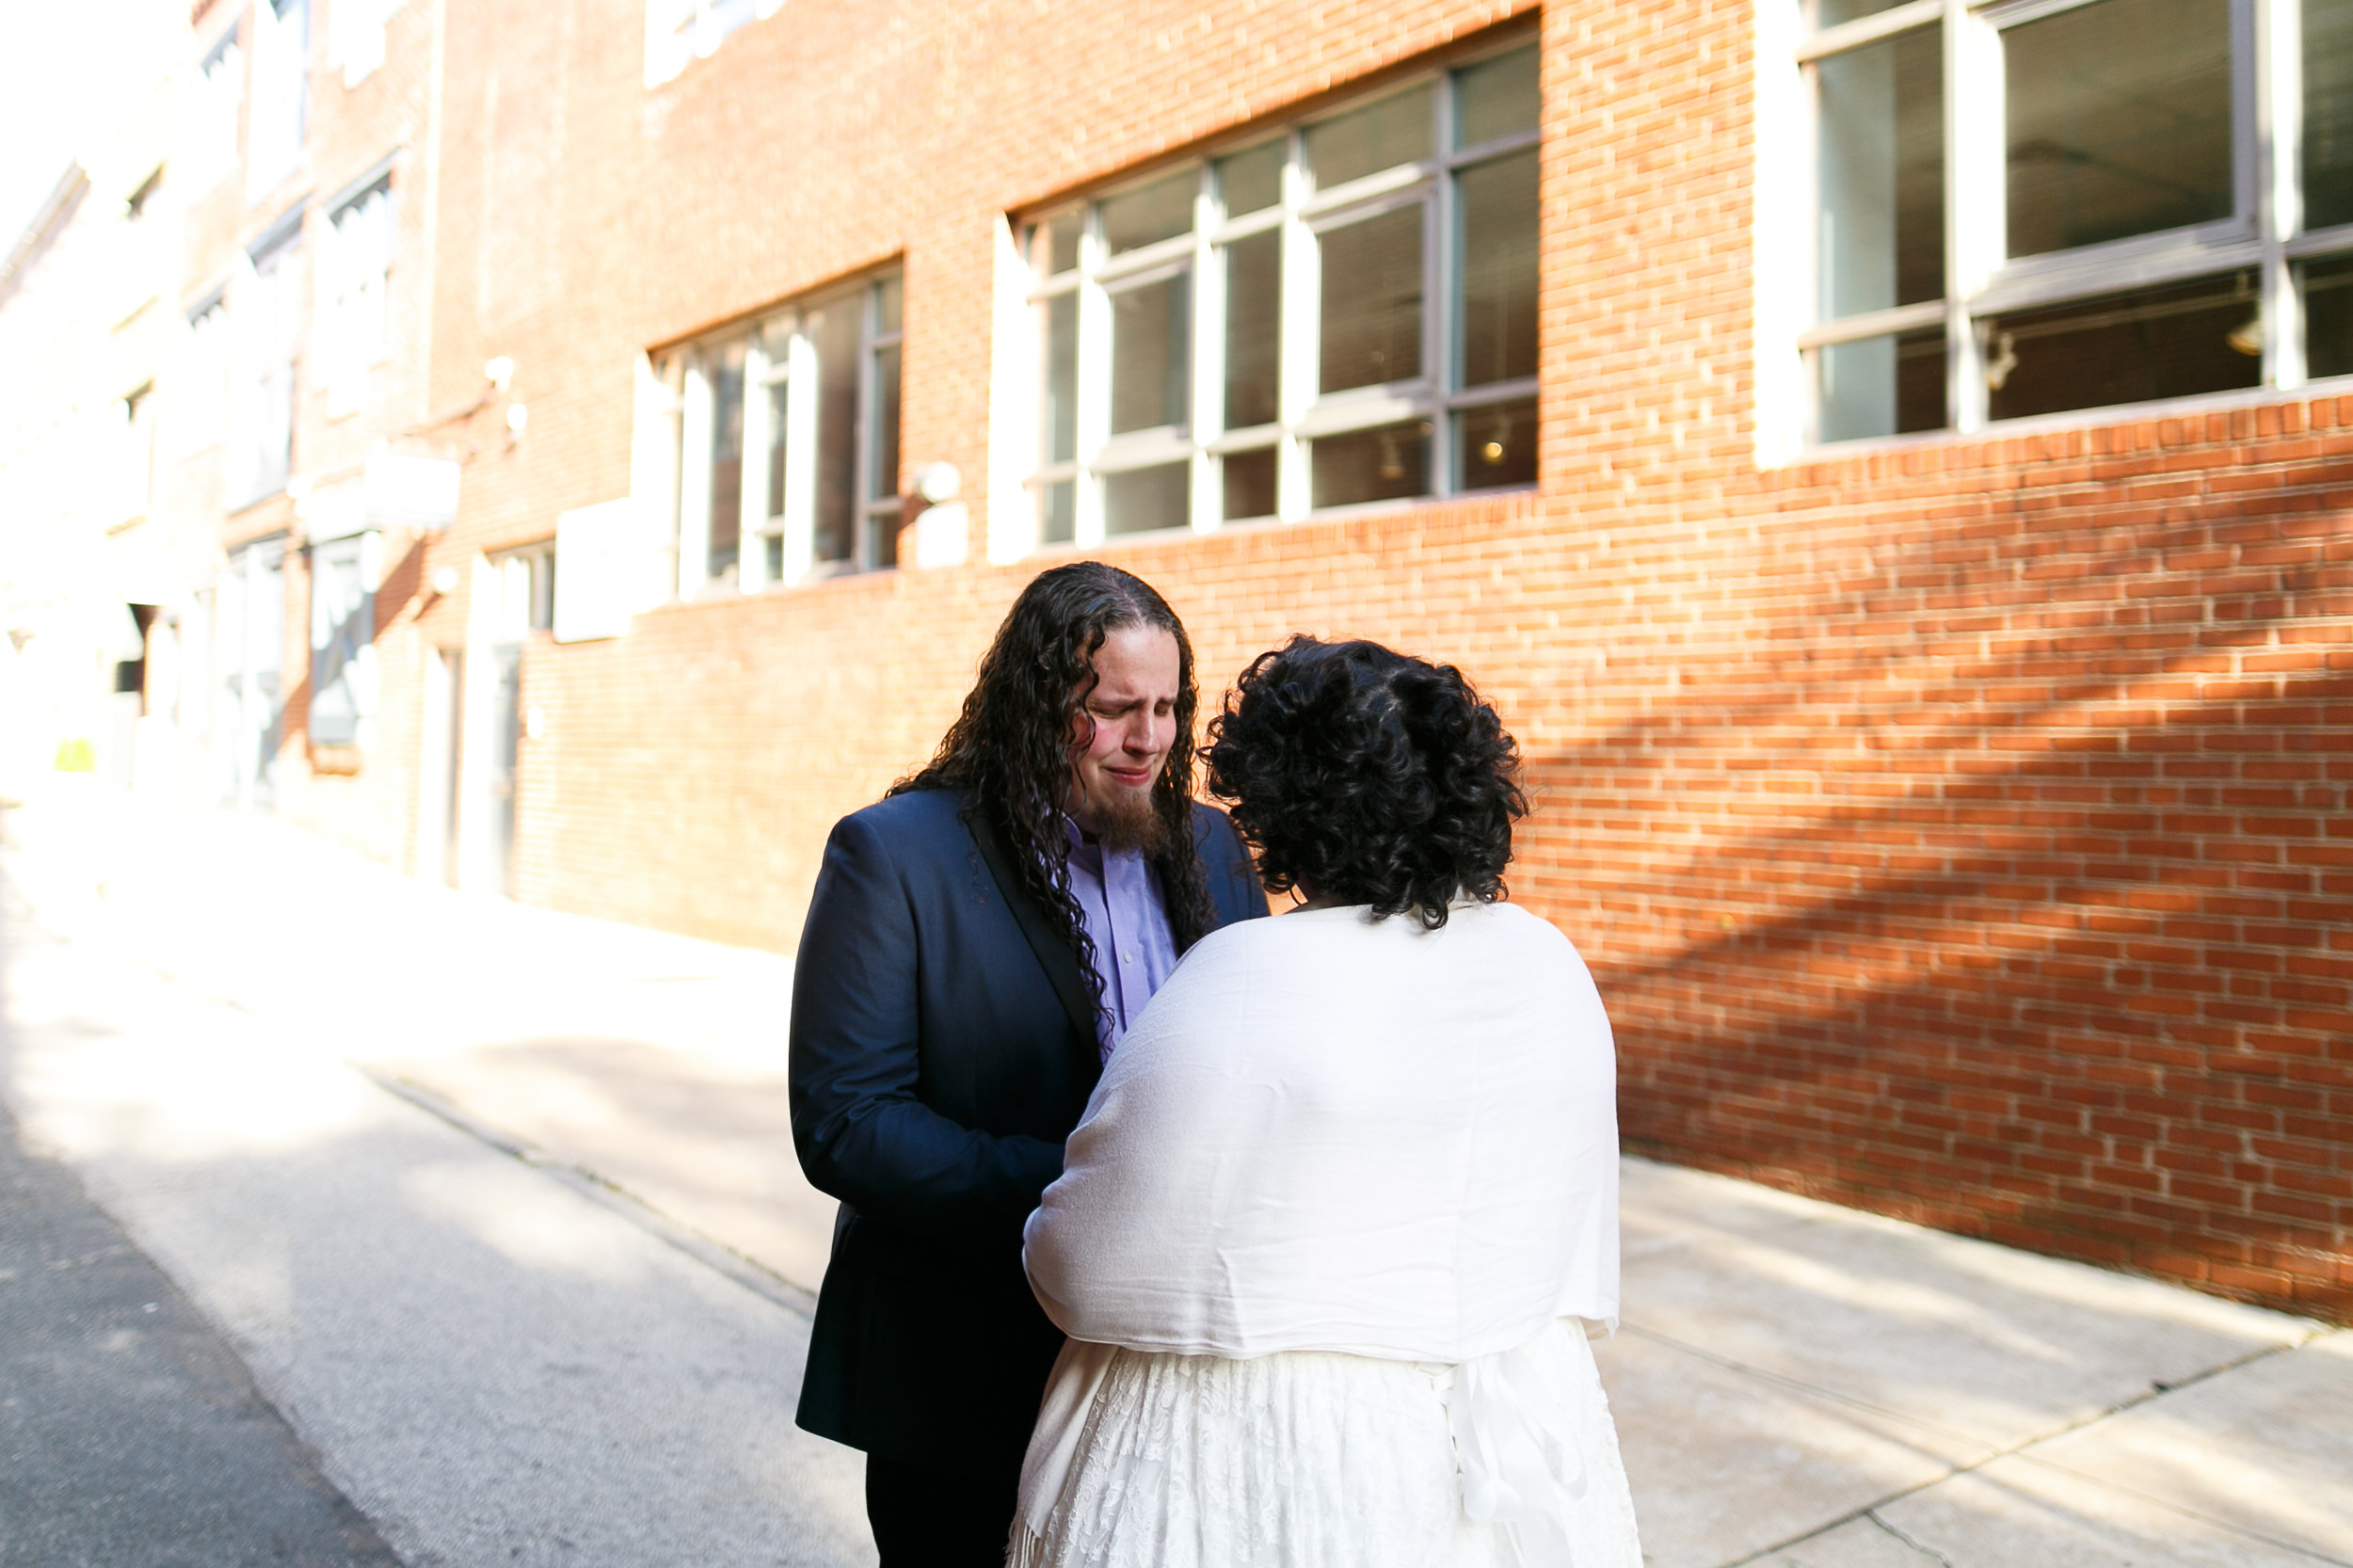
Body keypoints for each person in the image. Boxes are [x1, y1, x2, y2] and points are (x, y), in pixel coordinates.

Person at [1013, 635, 1641, 1568]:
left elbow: (1082, 1270)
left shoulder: (1243, 974)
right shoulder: (1547, 962)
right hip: (1518, 1434)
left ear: (1282, 800)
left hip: (1273, 1453)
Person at [788, 562, 1269, 1567]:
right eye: (1113, 709)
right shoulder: (895, 855)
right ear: (1040, 703)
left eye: (1168, 707)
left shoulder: (1212, 848)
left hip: (1167, 1363)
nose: (1149, 740)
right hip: (966, 1364)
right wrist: (1095, 1188)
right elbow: (847, 1123)